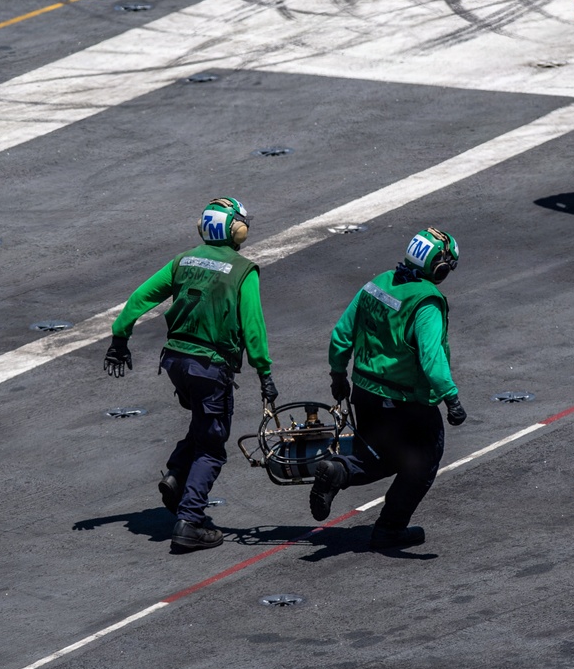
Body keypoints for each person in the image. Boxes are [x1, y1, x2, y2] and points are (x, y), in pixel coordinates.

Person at [103, 198, 277, 553]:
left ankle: (177, 474)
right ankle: (189, 521)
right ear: (236, 230)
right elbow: (254, 328)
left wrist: (120, 337)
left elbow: (140, 297)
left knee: (203, 421)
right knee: (213, 447)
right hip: (210, 366)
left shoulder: (183, 261)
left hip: (176, 364)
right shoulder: (243, 270)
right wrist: (265, 372)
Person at [308, 227, 466, 550]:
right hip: (408, 401)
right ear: (437, 266)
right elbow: (432, 357)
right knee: (424, 458)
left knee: (381, 453)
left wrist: (338, 376)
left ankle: (338, 470)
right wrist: (451, 398)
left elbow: (341, 334)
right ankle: (390, 529)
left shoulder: (377, 284)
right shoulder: (426, 302)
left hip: (366, 394)